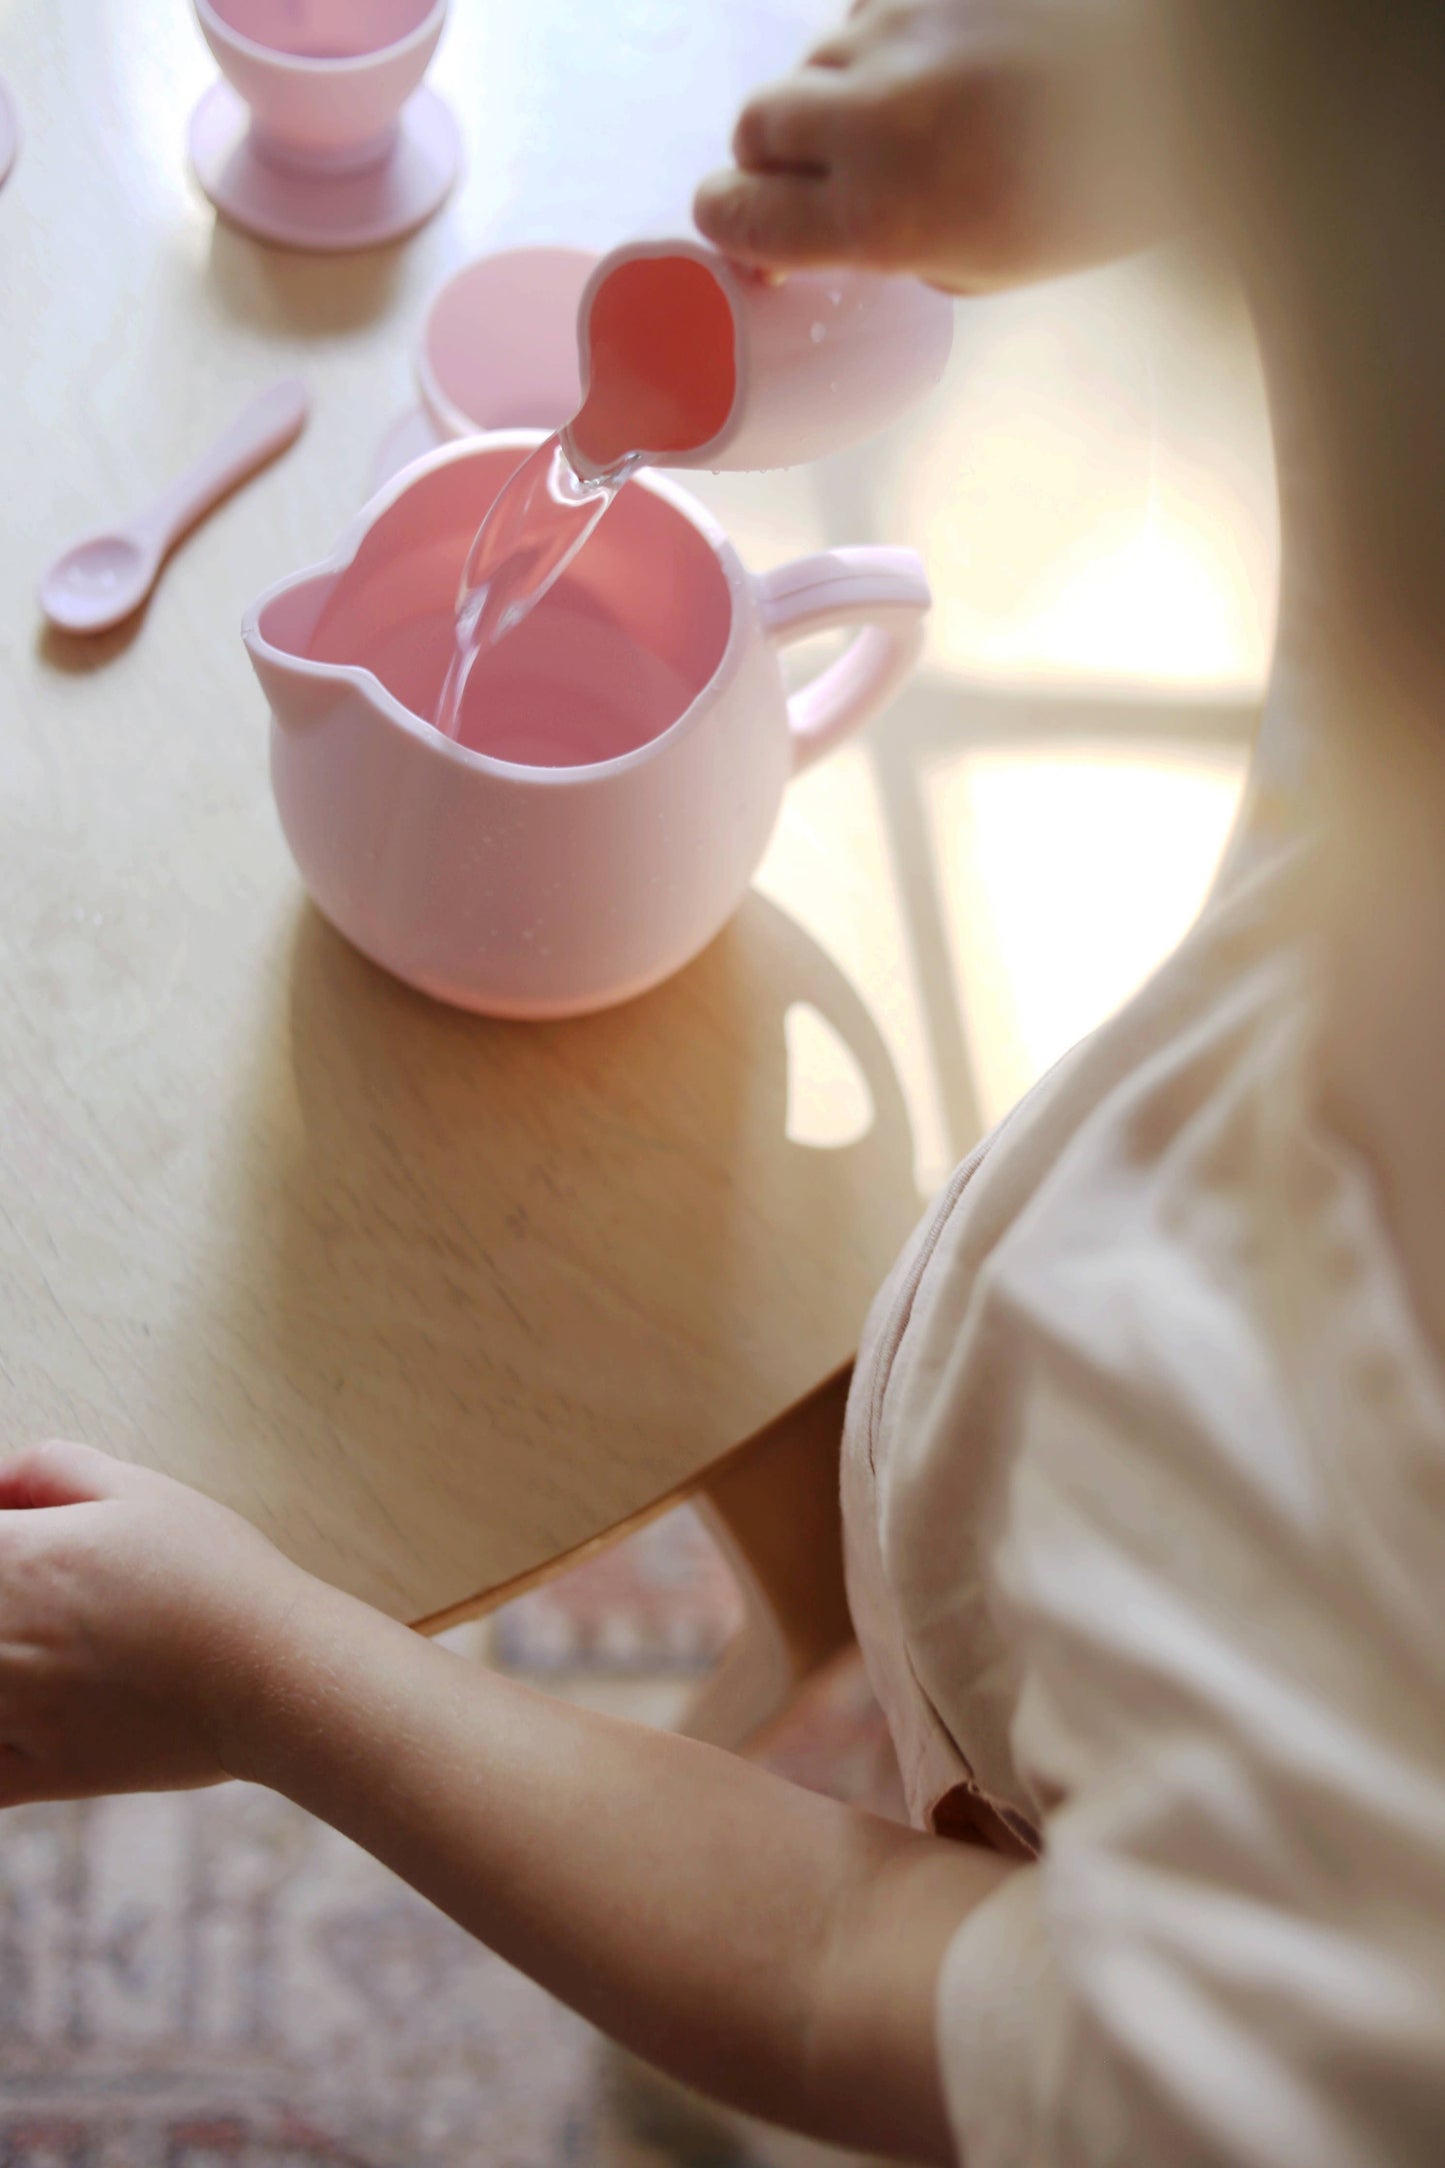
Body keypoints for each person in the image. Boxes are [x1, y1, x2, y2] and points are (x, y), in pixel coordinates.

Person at [4, 3, 1444, 2159]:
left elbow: (859, 1969)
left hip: (1010, 1794)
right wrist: (1141, 165)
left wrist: (258, 1669)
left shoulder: (1327, 1929)